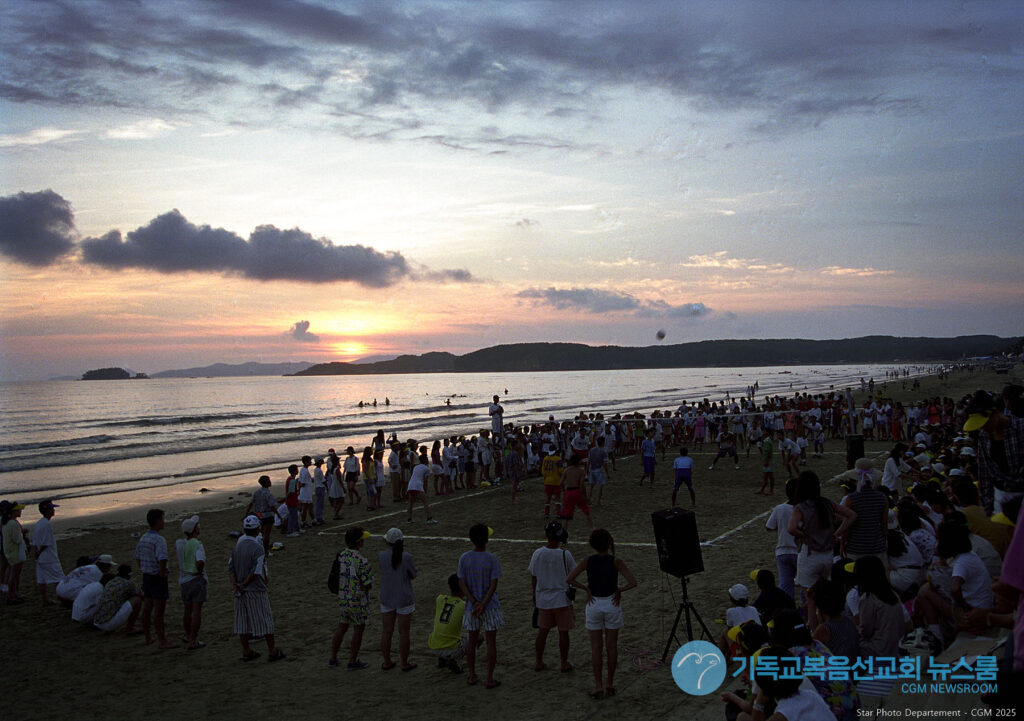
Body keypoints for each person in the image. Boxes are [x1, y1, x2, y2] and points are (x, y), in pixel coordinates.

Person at [565, 528, 638, 700]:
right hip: (612, 603)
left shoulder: (588, 561)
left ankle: (598, 685)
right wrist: (620, 590)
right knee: (611, 646)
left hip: (594, 604)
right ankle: (610, 683)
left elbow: (569, 579)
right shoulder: (616, 561)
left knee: (596, 647)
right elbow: (633, 582)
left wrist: (586, 588)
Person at [787, 472, 856, 622]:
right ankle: (826, 625)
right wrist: (837, 534)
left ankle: (815, 633)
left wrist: (804, 535)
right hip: (827, 555)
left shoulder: (800, 507)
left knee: (810, 600)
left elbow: (791, 528)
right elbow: (851, 515)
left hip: (810, 555)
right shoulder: (827, 503)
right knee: (823, 596)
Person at [230, 515, 284, 662]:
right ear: (257, 529)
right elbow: (256, 571)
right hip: (254, 588)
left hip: (240, 590)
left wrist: (236, 584)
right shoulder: (258, 548)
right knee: (265, 619)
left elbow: (231, 568)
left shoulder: (237, 547)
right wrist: (244, 584)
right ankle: (272, 651)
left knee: (242, 621)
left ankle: (246, 650)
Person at [458, 524, 503, 689]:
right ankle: (489, 678)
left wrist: (474, 602)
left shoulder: (464, 558)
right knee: (491, 642)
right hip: (489, 606)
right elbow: (493, 584)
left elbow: (461, 582)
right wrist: (483, 603)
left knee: (472, 640)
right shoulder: (491, 559)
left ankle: (472, 675)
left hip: (472, 606)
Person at [964, 389, 1024, 514]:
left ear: (995, 412)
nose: (982, 427)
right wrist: (988, 507)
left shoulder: (1020, 428)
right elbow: (984, 473)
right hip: (1000, 496)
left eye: (984, 423)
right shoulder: (984, 436)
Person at [529, 521, 576, 672]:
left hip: (543, 598)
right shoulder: (565, 554)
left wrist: (534, 594)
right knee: (563, 632)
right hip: (561, 598)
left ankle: (538, 662)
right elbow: (573, 575)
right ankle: (564, 663)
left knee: (543, 631)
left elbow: (534, 576)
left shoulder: (538, 553)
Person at [329, 527, 374, 669]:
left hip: (343, 597)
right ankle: (352, 660)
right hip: (358, 599)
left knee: (342, 627)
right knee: (358, 629)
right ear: (359, 542)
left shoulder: (341, 555)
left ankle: (333, 657)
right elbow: (367, 585)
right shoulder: (362, 560)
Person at [134, 508, 176, 649]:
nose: (164, 522)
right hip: (157, 577)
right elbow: (162, 558)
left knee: (147, 608)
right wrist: (162, 572)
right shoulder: (159, 539)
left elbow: (137, 558)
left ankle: (148, 637)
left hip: (147, 576)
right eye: (163, 519)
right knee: (158, 611)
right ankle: (162, 641)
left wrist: (145, 568)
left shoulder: (144, 538)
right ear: (157, 521)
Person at [378, 527, 418, 671]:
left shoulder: (382, 555)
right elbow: (413, 574)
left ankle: (387, 661)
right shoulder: (406, 557)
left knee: (387, 631)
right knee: (404, 632)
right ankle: (404, 662)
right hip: (403, 596)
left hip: (387, 596)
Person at [175, 515, 207, 650]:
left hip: (184, 580)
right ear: (195, 530)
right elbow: (200, 561)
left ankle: (188, 635)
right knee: (196, 610)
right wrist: (199, 571)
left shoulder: (180, 544)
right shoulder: (197, 545)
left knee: (187, 609)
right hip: (195, 579)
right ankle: (193, 640)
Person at [764, 478, 798, 597]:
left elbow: (769, 526)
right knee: (805, 585)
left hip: (783, 551)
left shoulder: (780, 508)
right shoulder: (804, 508)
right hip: (799, 551)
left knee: (785, 586)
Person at [428, 573, 468, 673]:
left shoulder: (440, 599)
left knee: (450, 634)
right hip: (451, 649)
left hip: (434, 646)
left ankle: (443, 659)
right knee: (477, 638)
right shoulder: (463, 605)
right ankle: (456, 660)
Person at [92, 564, 143, 633]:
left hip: (97, 621)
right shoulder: (128, 584)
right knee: (137, 600)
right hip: (107, 624)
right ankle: (130, 628)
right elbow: (141, 596)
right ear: (128, 575)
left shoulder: (110, 582)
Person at [31, 499, 63, 605]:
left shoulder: (39, 523)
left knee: (42, 579)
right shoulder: (46, 524)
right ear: (47, 511)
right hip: (49, 556)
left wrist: (36, 553)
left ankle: (45, 599)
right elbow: (45, 543)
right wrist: (39, 553)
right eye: (51, 508)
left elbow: (35, 542)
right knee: (59, 577)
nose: (53, 510)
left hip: (41, 557)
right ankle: (61, 597)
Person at [558, 454, 593, 534]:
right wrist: (585, 496)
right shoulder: (581, 471)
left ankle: (564, 533)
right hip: (576, 491)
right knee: (586, 510)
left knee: (566, 515)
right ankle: (591, 528)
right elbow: (581, 485)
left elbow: (561, 482)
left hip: (568, 492)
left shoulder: (567, 470)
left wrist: (564, 491)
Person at [2, 501, 28, 603]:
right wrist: (23, 533)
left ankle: (14, 593)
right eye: (19, 510)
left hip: (10, 551)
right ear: (14, 511)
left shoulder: (7, 523)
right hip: (15, 552)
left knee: (14, 573)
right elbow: (17, 539)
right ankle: (11, 595)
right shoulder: (13, 523)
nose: (20, 511)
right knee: (14, 574)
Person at [245, 475, 277, 553]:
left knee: (261, 533)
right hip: (267, 514)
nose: (270, 482)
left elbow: (251, 503)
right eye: (269, 481)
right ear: (266, 483)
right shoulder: (268, 494)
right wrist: (278, 514)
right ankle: (265, 550)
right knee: (267, 534)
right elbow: (272, 506)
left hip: (259, 514)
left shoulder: (257, 492)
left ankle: (260, 548)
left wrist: (246, 514)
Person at [406, 448, 438, 524]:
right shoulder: (426, 469)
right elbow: (425, 481)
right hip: (418, 486)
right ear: (425, 460)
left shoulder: (416, 467)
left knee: (411, 503)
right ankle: (429, 519)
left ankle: (409, 519)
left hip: (410, 485)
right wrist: (425, 491)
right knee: (425, 502)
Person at [541, 446, 564, 518]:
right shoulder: (558, 459)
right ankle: (559, 513)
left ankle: (546, 513)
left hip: (547, 481)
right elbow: (561, 471)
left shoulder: (545, 459)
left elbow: (543, 471)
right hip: (556, 481)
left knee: (548, 498)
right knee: (557, 498)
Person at [587, 436, 609, 506]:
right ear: (603, 443)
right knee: (600, 486)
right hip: (599, 470)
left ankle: (589, 499)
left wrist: (587, 469)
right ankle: (598, 501)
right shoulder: (603, 452)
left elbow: (589, 461)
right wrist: (607, 473)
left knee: (591, 486)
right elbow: (604, 464)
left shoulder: (592, 450)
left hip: (592, 469)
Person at [284, 464, 301, 537]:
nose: (298, 470)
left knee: (295, 515)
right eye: (297, 469)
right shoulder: (292, 480)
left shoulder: (290, 479)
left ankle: (297, 529)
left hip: (292, 500)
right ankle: (290, 531)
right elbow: (290, 492)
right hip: (292, 501)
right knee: (292, 516)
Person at [297, 455, 314, 527]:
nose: (311, 462)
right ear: (306, 462)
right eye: (309, 461)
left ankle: (313, 520)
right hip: (305, 492)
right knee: (305, 508)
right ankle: (303, 522)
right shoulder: (304, 471)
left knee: (310, 507)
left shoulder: (304, 470)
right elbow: (302, 483)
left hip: (307, 491)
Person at [312, 457, 328, 525]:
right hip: (320, 487)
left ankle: (318, 517)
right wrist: (327, 487)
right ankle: (319, 518)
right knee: (320, 504)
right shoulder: (319, 470)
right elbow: (323, 481)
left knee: (319, 503)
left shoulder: (316, 470)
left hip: (317, 487)